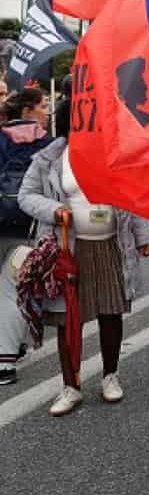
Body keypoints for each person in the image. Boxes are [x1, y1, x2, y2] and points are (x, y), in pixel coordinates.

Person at [19, 104, 149, 415]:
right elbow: (27, 195)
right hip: (67, 246)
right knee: (68, 318)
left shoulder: (115, 154)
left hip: (109, 243)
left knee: (111, 311)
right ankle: (71, 386)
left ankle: (110, 376)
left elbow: (133, 194)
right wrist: (54, 210)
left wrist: (143, 236)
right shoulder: (49, 158)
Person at [0, 88, 53, 386]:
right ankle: (6, 359)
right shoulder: (47, 145)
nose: (47, 112)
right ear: (29, 110)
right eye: (43, 106)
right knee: (14, 288)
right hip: (29, 226)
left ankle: (9, 347)